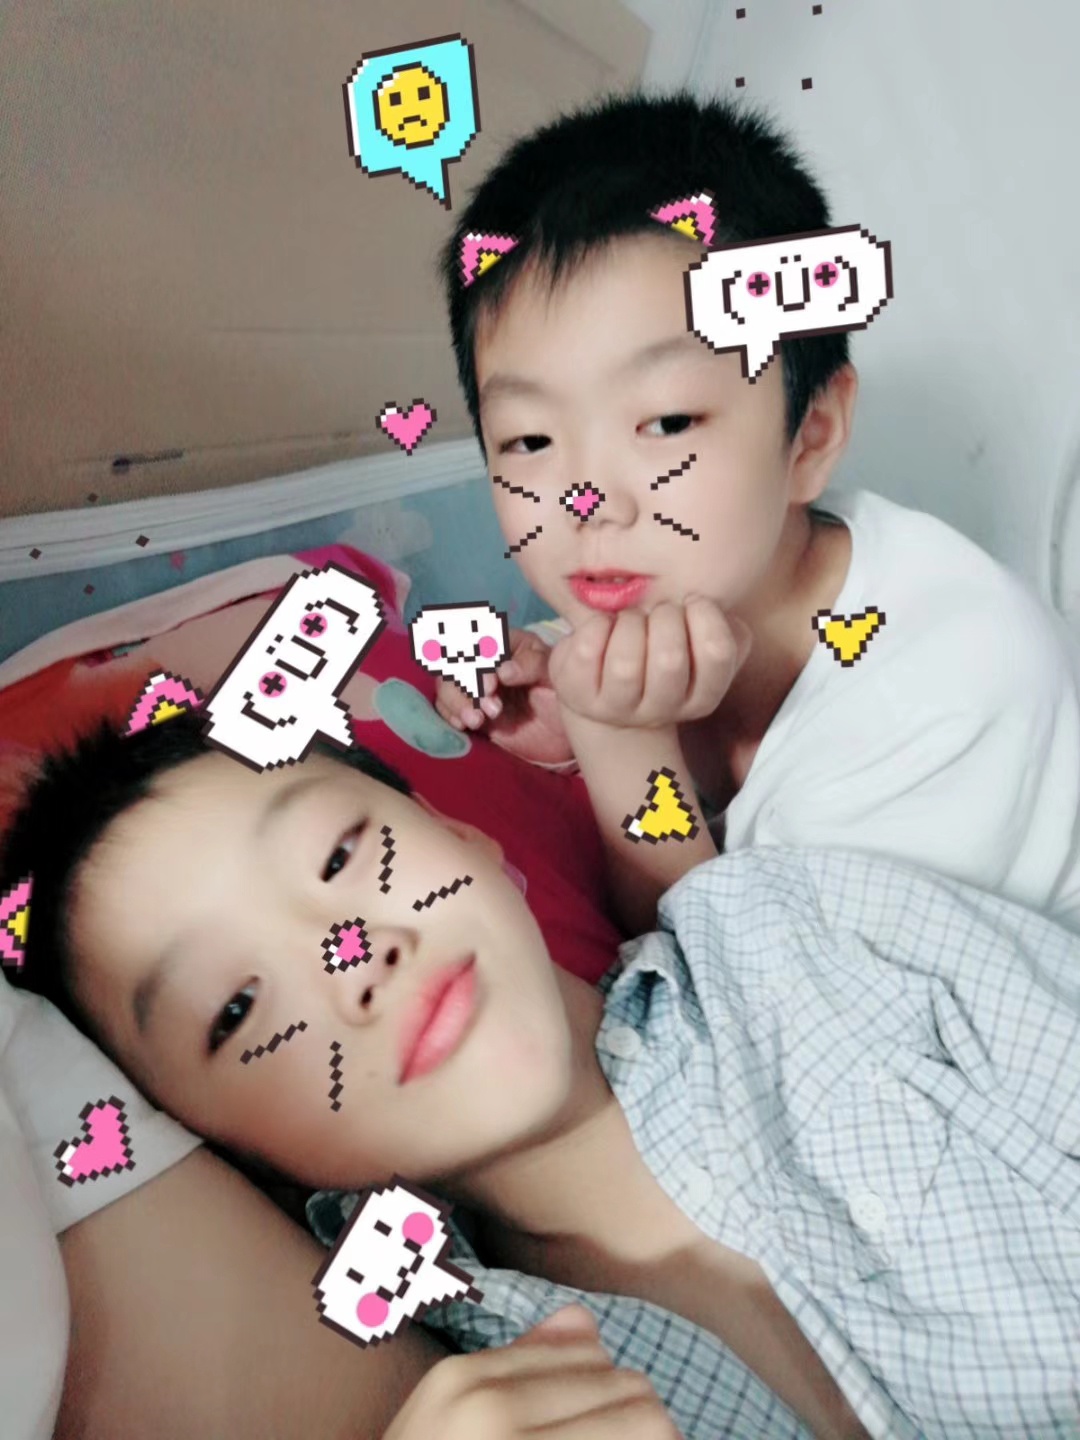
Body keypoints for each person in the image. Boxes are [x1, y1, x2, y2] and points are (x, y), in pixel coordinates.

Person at [4, 706, 1078, 1439]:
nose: (351, 960)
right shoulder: (438, 1373)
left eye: (338, 858)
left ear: (466, 838)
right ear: (234, 1149)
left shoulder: (792, 936)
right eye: (236, 1009)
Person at [431, 88, 1080, 936]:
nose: (589, 503)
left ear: (810, 436)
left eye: (667, 423)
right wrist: (557, 686)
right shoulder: (683, 579)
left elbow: (729, 996)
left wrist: (618, 741)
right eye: (528, 439)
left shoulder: (942, 705)